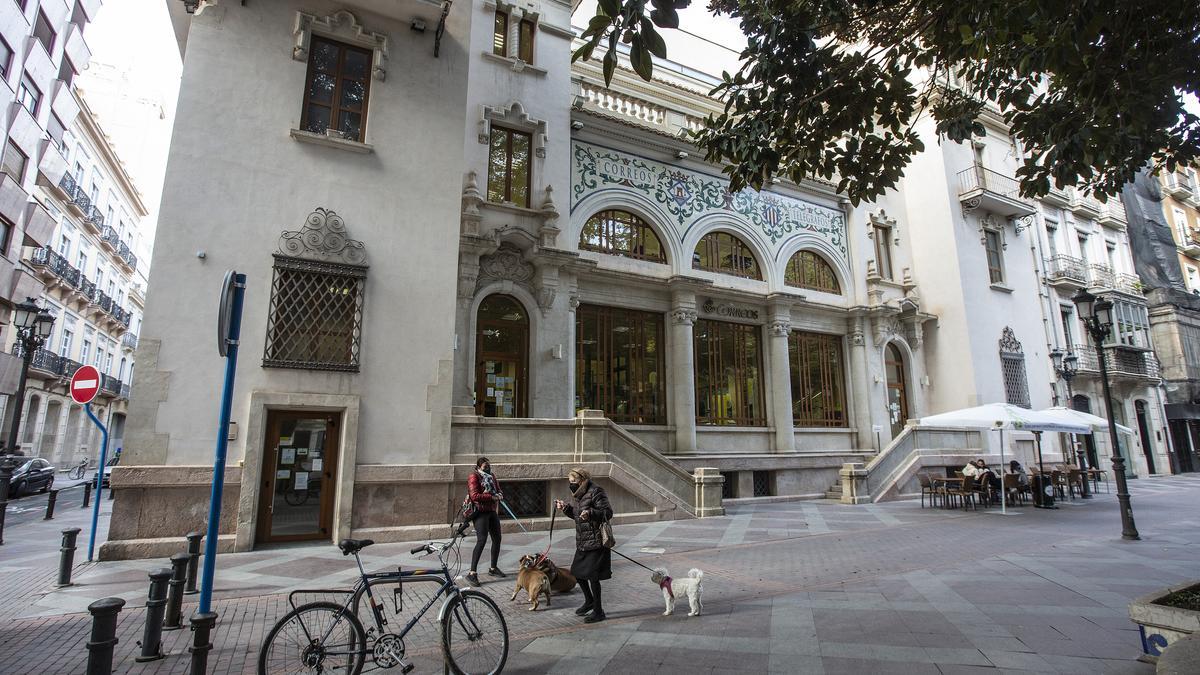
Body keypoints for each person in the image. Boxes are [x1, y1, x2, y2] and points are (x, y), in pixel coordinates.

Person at [555, 468, 613, 624]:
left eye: (573, 482)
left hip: (596, 542)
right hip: (583, 541)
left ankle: (599, 611)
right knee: (577, 573)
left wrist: (591, 513)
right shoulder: (579, 494)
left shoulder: (596, 491)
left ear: (581, 480)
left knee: (593, 577)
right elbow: (577, 515)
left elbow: (608, 512)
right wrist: (566, 508)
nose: (571, 485)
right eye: (570, 482)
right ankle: (589, 601)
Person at [464, 457, 505, 587]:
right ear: (478, 467)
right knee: (481, 540)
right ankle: (472, 573)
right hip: (480, 512)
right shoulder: (474, 477)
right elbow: (474, 496)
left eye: (489, 466)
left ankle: (493, 568)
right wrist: (492, 497)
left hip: (491, 510)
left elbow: (498, 489)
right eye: (485, 466)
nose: (488, 468)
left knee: (497, 538)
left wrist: (500, 494)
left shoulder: (491, 476)